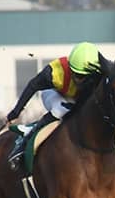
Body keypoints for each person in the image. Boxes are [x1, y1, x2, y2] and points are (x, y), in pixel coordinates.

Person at [6, 41, 101, 169]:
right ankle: (28, 136)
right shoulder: (54, 72)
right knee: (62, 108)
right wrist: (15, 112)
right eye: (76, 75)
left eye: (84, 76)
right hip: (52, 93)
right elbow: (32, 86)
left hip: (73, 98)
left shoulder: (99, 72)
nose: (79, 80)